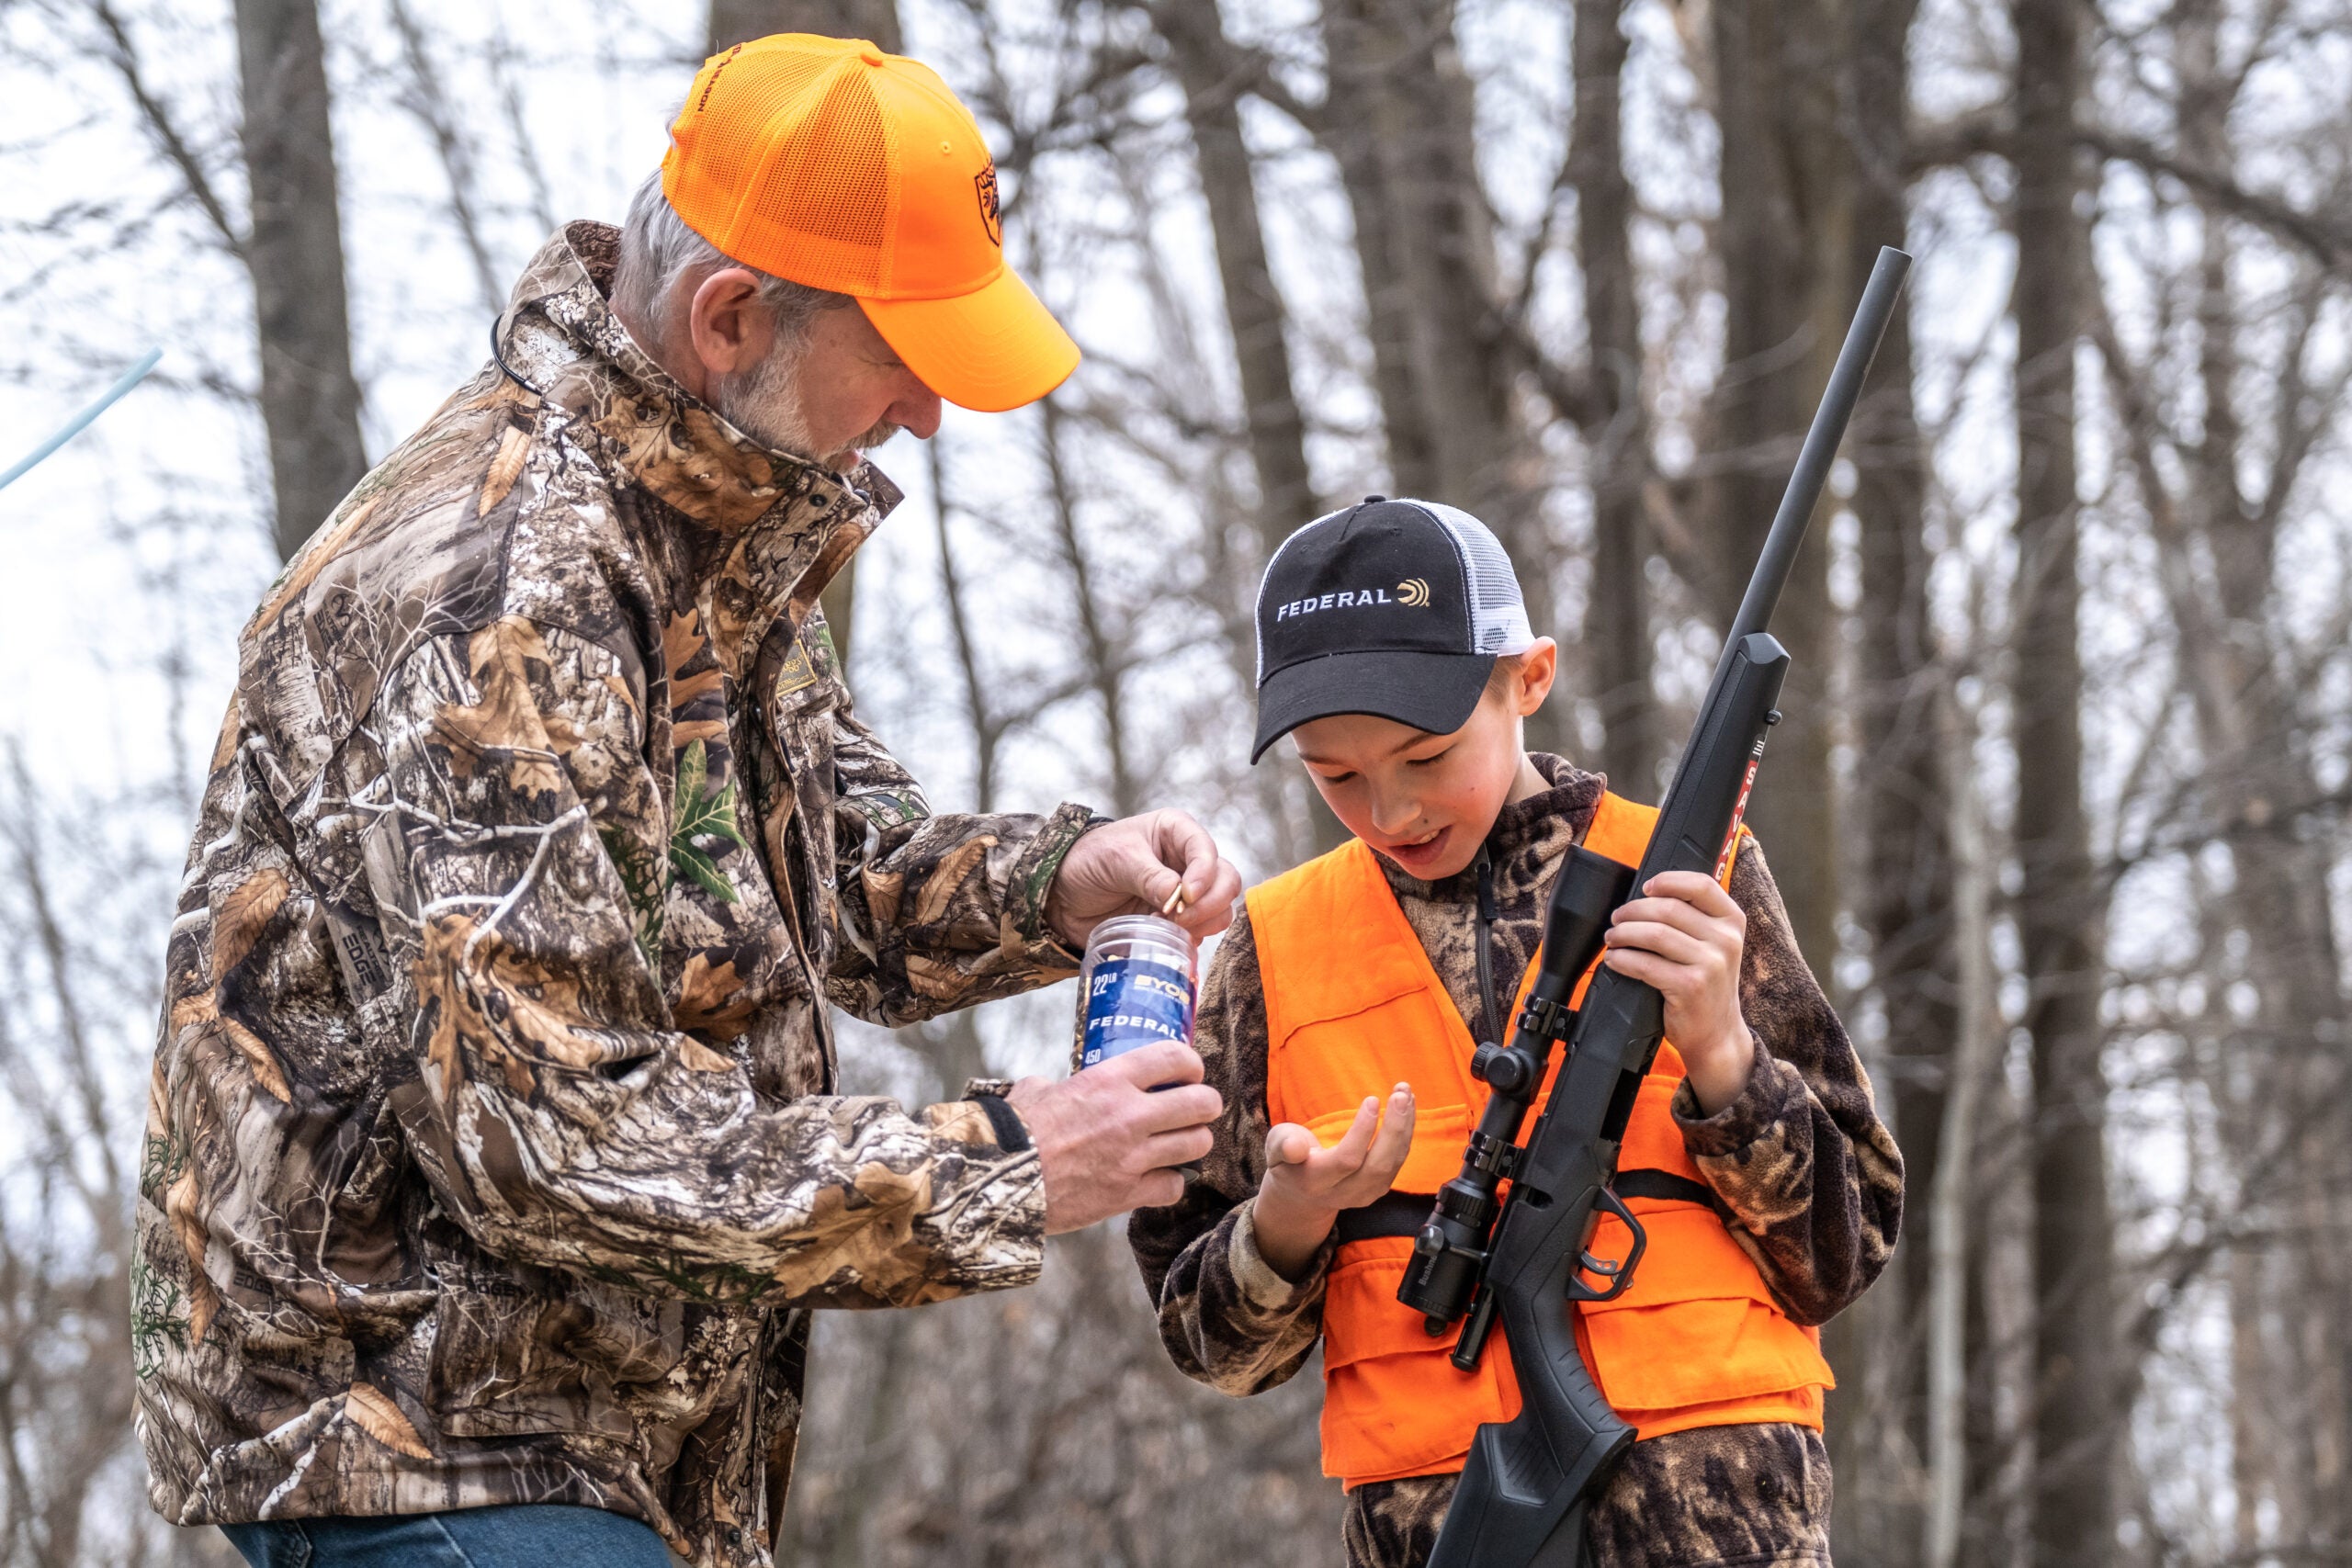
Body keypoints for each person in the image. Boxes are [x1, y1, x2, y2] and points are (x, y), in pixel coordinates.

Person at [133, 33, 1238, 1568]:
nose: (927, 413)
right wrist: (1008, 1157)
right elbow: (555, 1131)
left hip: (601, 1442)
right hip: (422, 1441)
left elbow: (817, 877)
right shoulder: (504, 597)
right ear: (733, 318)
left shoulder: (704, 538)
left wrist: (1056, 880)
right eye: (907, 356)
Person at [1129, 498, 1905, 1567]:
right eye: (1335, 774)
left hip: (1725, 1529)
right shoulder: (1273, 944)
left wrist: (1723, 1052)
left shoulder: (1690, 880)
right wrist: (1288, 1219)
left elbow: (1845, 1248)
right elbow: (1208, 1346)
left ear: (1529, 678)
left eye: (1426, 753)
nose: (1391, 810)